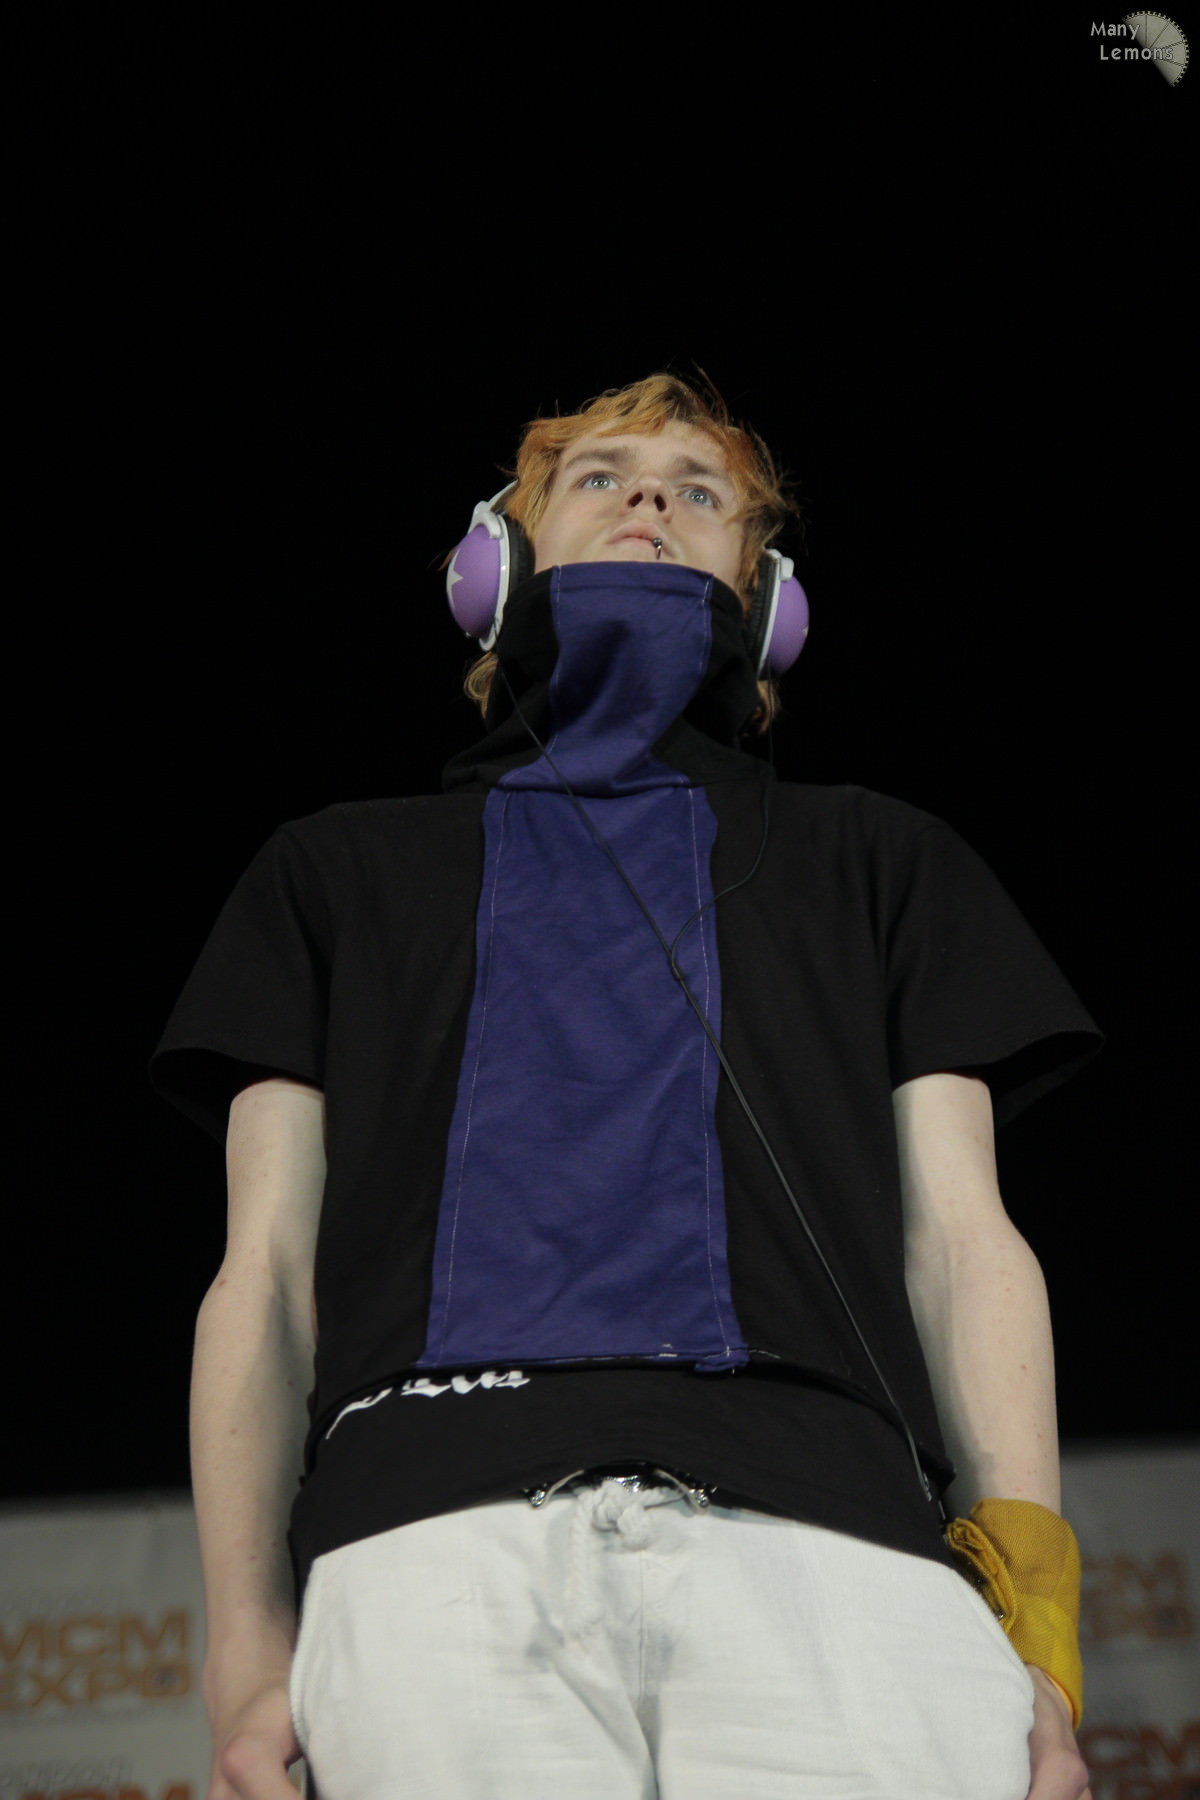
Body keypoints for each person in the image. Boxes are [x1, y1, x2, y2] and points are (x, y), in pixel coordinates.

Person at [153, 374, 1102, 1799]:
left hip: (845, 1559)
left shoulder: (884, 861)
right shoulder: (330, 873)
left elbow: (964, 1247)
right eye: (599, 476)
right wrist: (242, 1650)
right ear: (494, 566)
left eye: (699, 490)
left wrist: (1040, 1637)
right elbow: (265, 1276)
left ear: (766, 599)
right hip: (429, 1556)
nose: (652, 494)